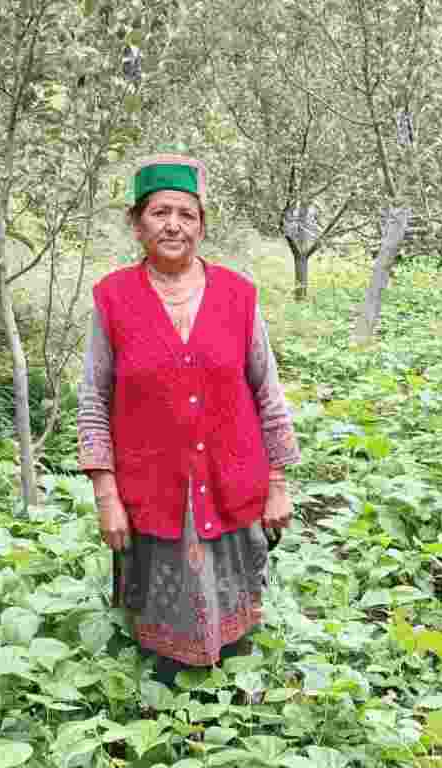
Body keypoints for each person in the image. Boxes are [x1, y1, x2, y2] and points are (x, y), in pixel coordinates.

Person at [76, 154, 300, 690]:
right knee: (159, 648)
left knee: (236, 638)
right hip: (151, 492)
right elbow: (93, 399)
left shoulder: (238, 296)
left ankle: (232, 722)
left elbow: (266, 389)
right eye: (159, 213)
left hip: (230, 485)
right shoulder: (113, 299)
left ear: (201, 225)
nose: (173, 224)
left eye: (186, 214)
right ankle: (166, 728)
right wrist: (106, 496)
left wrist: (278, 484)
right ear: (137, 224)